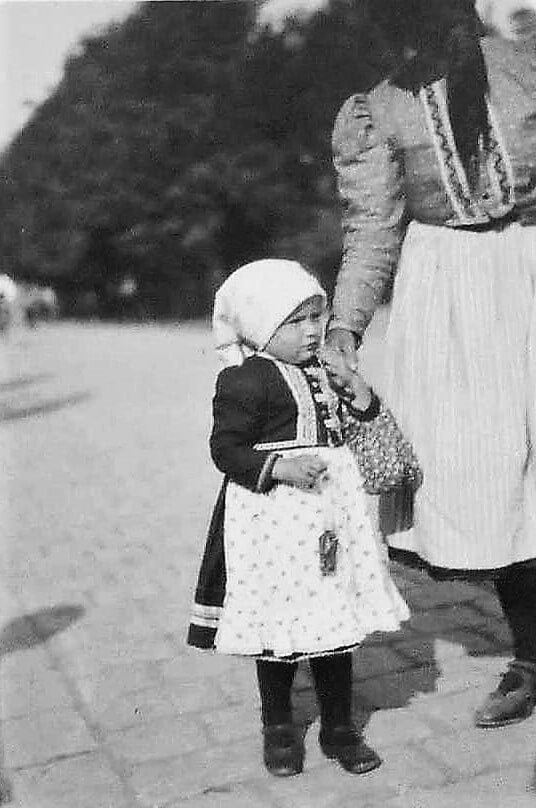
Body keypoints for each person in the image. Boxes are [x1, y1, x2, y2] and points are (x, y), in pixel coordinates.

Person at [327, 0, 536, 729]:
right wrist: (345, 324)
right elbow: (372, 230)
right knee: (492, 478)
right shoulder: (376, 110)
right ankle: (533, 655)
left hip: (532, 265)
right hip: (450, 300)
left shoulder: (525, 69)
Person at [187, 258, 408, 777]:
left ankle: (338, 726)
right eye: (297, 321)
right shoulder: (244, 381)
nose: (313, 331)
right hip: (272, 523)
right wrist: (278, 466)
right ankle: (279, 725)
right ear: (261, 326)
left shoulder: (324, 374)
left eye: (317, 316)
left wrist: (359, 397)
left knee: (334, 621)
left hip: (329, 521)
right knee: (276, 628)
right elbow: (226, 449)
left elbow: (353, 427)